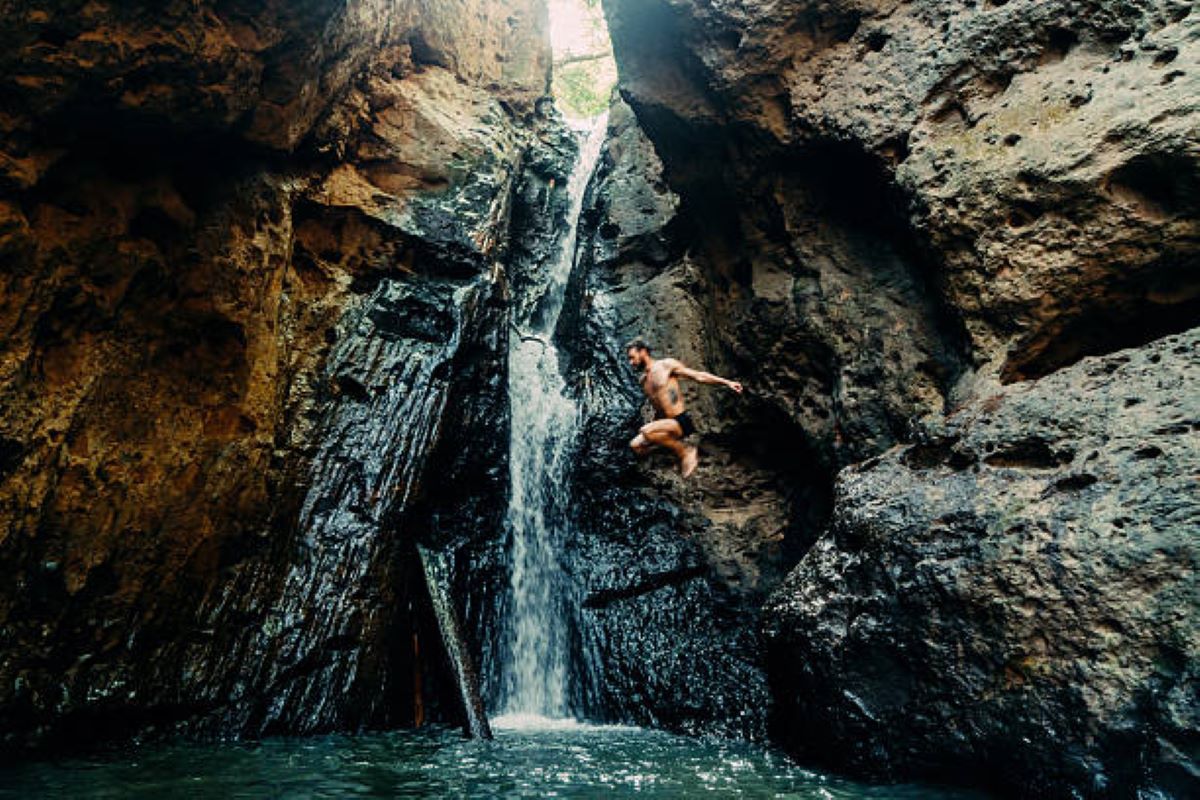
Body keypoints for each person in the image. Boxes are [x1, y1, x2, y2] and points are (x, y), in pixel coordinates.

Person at [626, 339, 743, 478]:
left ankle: (685, 452)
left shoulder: (665, 365)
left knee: (645, 430)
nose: (631, 362)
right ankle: (668, 446)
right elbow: (657, 408)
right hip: (665, 424)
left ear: (643, 352)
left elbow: (698, 376)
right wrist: (654, 427)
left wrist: (727, 382)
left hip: (680, 421)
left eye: (632, 357)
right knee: (635, 445)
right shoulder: (643, 381)